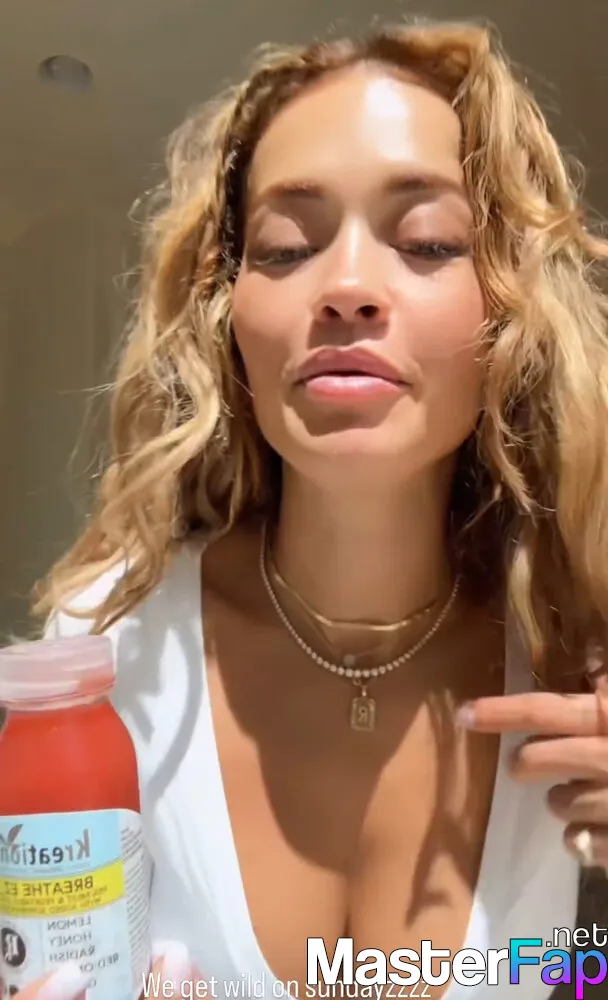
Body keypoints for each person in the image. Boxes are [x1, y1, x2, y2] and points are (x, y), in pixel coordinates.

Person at [15, 14, 608, 1000]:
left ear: (510, 308)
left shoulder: (580, 654)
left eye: (426, 241)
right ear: (226, 314)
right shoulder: (106, 653)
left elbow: (573, 973)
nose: (346, 288)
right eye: (287, 248)